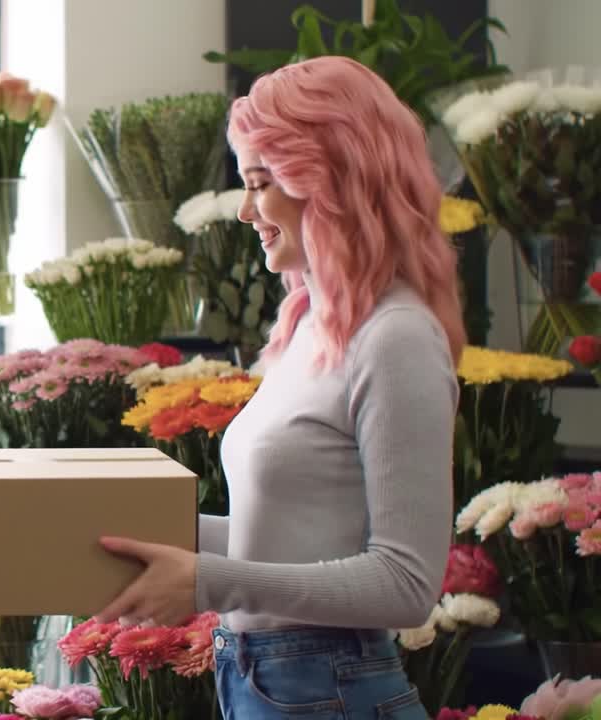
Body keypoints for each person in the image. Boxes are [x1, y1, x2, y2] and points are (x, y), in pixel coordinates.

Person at [96, 55, 464, 717]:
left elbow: (408, 584)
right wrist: (141, 534)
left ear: (330, 183)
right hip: (264, 680)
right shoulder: (309, 329)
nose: (244, 210)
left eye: (261, 183)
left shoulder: (397, 336)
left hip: (328, 688)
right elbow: (289, 537)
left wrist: (204, 580)